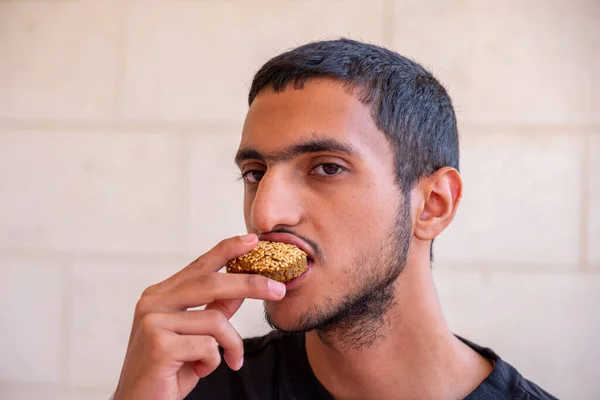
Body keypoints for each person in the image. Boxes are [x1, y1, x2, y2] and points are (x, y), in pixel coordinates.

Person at [112, 39, 557, 400]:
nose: (265, 213)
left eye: (327, 167)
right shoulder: (189, 386)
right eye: (255, 173)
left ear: (433, 204)